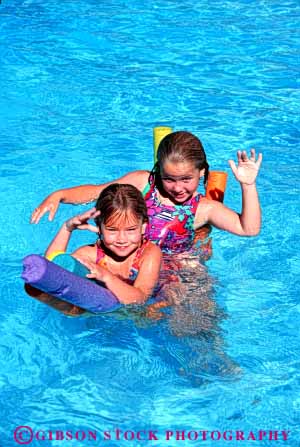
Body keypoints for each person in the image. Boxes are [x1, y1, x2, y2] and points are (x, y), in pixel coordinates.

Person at [31, 131, 263, 254]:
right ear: (158, 170)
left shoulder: (204, 208)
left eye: (186, 179)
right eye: (169, 179)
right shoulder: (143, 183)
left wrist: (248, 184)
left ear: (201, 173)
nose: (177, 187)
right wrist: (59, 195)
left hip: (175, 270)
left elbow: (248, 229)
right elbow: (97, 192)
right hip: (125, 257)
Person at [30, 184, 162, 309]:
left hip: (146, 304)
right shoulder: (90, 254)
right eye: (112, 230)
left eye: (130, 230)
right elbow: (52, 271)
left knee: (151, 314)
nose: (122, 239)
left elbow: (140, 299)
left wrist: (106, 277)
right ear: (99, 228)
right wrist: (67, 229)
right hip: (105, 306)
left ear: (143, 227)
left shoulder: (149, 254)